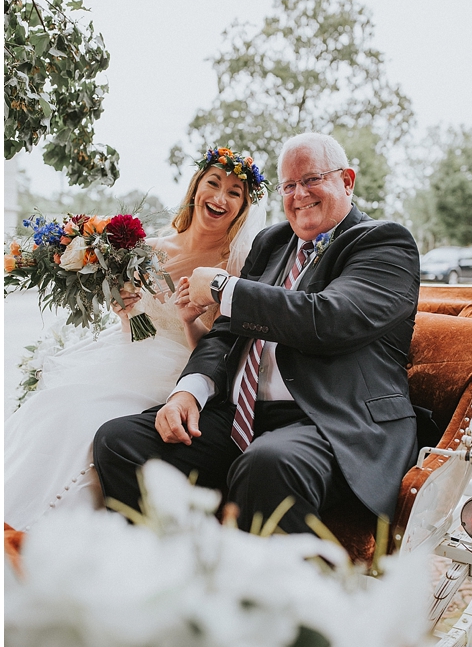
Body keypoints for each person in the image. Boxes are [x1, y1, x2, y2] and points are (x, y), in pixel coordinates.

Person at [93, 132, 421, 536]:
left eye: (312, 179)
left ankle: (266, 596)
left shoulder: (384, 243)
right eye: (288, 185)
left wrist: (222, 288)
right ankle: (169, 574)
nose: (299, 194)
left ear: (347, 181)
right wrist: (188, 392)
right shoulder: (273, 241)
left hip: (330, 420)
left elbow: (328, 320)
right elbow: (227, 330)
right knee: (119, 441)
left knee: (267, 463)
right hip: (241, 415)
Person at [4, 147, 267, 530]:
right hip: (128, 354)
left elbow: (219, 354)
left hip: (176, 370)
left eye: (234, 192)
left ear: (242, 207)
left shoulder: (234, 265)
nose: (219, 197)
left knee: (84, 420)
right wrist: (125, 309)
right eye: (213, 183)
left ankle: (53, 534)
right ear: (196, 188)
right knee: (50, 407)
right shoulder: (151, 250)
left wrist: (190, 319)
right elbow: (137, 325)